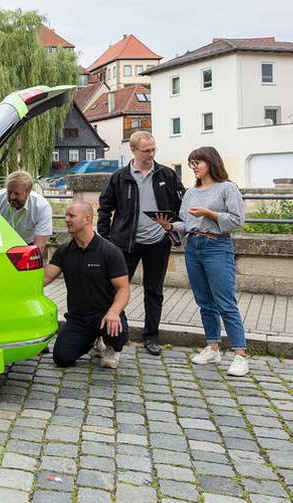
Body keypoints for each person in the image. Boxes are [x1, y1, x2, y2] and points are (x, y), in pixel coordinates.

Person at [154, 146, 248, 376]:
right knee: (204, 301)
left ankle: (240, 355)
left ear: (211, 162)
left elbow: (237, 220)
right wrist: (168, 226)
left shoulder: (227, 188)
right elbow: (185, 225)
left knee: (225, 302)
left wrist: (210, 213)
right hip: (193, 246)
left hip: (217, 245)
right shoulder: (190, 193)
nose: (194, 167)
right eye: (191, 163)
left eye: (198, 163)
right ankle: (212, 347)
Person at [97, 131, 185, 356]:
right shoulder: (119, 177)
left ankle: (152, 336)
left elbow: (181, 205)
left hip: (158, 242)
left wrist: (172, 227)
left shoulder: (167, 174)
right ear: (133, 150)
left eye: (154, 149)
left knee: (154, 290)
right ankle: (116, 333)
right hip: (125, 243)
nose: (151, 154)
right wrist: (105, 239)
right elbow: (105, 208)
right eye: (146, 150)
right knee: (116, 288)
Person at [44, 201, 131, 368]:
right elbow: (45, 278)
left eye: (71, 216)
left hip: (104, 315)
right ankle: (93, 340)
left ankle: (112, 346)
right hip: (78, 318)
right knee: (62, 358)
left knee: (118, 332)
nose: (66, 219)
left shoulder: (109, 251)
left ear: (87, 219)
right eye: (66, 215)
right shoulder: (64, 251)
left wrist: (114, 312)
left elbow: (123, 288)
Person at [0, 171, 53, 252]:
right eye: (9, 192)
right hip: (0, 245)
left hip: (28, 246)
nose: (12, 197)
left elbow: (39, 246)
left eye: (16, 193)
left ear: (28, 192)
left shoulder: (42, 207)